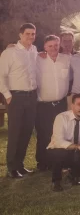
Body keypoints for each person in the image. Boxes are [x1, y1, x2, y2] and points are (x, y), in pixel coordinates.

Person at [0, 23, 38, 178]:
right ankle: (11, 168)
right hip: (16, 98)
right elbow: (1, 75)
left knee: (26, 132)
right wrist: (7, 95)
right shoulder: (9, 53)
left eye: (33, 34)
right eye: (28, 34)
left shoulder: (34, 51)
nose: (31, 37)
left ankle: (20, 165)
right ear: (20, 35)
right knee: (15, 132)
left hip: (31, 97)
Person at [46, 94, 80, 191]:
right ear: (72, 106)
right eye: (79, 104)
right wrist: (79, 147)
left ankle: (73, 176)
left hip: (76, 152)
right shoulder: (61, 117)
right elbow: (58, 141)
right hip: (57, 150)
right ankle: (56, 182)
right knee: (59, 154)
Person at [35, 35, 72, 172]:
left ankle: (59, 161)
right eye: (50, 46)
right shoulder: (37, 59)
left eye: (56, 45)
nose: (53, 48)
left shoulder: (66, 58)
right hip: (43, 105)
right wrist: (11, 46)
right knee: (43, 134)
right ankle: (42, 162)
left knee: (60, 133)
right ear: (45, 47)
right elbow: (24, 53)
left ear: (59, 45)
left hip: (61, 104)